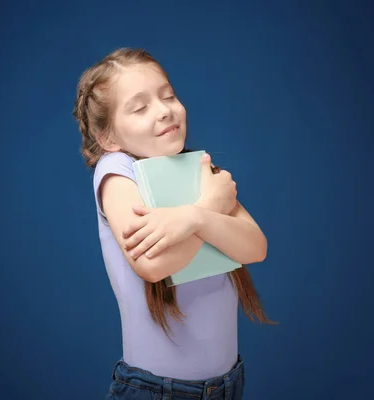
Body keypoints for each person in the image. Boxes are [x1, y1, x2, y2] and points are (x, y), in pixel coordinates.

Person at [72, 48, 275, 400]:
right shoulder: (116, 171)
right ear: (108, 138)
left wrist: (193, 217)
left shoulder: (197, 166)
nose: (165, 109)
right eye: (140, 107)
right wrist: (211, 205)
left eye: (168, 96)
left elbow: (256, 248)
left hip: (227, 384)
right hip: (157, 391)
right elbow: (153, 264)